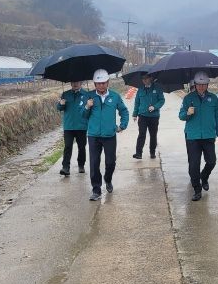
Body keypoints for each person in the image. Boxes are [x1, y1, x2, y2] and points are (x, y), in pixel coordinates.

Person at [82, 69, 129, 201]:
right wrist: (87, 107)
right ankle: (96, 190)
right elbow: (83, 115)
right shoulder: (89, 96)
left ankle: (108, 179)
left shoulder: (115, 96)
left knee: (110, 162)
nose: (101, 85)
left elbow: (124, 111)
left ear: (108, 82)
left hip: (109, 135)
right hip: (94, 135)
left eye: (103, 83)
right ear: (94, 84)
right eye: (98, 83)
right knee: (94, 163)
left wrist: (122, 125)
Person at [179, 71, 218, 201]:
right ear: (195, 84)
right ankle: (197, 189)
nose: (201, 87)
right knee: (194, 165)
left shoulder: (213, 98)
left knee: (211, 161)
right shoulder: (188, 98)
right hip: (193, 136)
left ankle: (204, 176)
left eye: (204, 84)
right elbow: (181, 116)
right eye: (199, 84)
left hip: (209, 135)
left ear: (207, 84)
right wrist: (187, 113)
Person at [56, 81, 88, 176]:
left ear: (81, 82)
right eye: (73, 82)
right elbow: (59, 108)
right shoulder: (65, 94)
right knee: (68, 146)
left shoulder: (86, 94)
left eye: (77, 82)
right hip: (68, 126)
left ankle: (81, 165)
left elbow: (89, 110)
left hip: (81, 126)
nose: (75, 84)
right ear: (70, 83)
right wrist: (61, 104)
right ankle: (65, 167)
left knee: (81, 147)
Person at [132, 73, 165, 159]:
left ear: (151, 78)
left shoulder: (157, 88)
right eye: (143, 79)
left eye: (146, 78)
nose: (144, 80)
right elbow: (137, 102)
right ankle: (138, 153)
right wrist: (135, 114)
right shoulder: (140, 89)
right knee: (142, 134)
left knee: (153, 135)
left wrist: (155, 107)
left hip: (154, 116)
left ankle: (152, 152)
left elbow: (162, 100)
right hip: (142, 115)